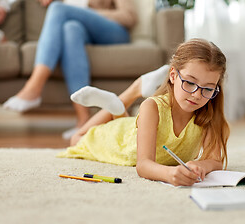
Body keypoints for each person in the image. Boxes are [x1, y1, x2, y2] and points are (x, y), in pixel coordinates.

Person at [58, 38, 230, 186]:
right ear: (173, 75)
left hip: (134, 128)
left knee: (120, 118)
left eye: (208, 89)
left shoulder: (210, 115)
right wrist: (170, 174)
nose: (197, 94)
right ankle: (132, 91)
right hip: (119, 141)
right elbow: (143, 165)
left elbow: (215, 160)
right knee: (76, 139)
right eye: (190, 83)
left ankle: (116, 106)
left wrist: (201, 165)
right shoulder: (152, 107)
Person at [2, 0, 137, 139]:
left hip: (114, 31)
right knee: (71, 29)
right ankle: (84, 120)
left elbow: (129, 16)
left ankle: (34, 87)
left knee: (58, 8)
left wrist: (86, 12)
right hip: (82, 29)